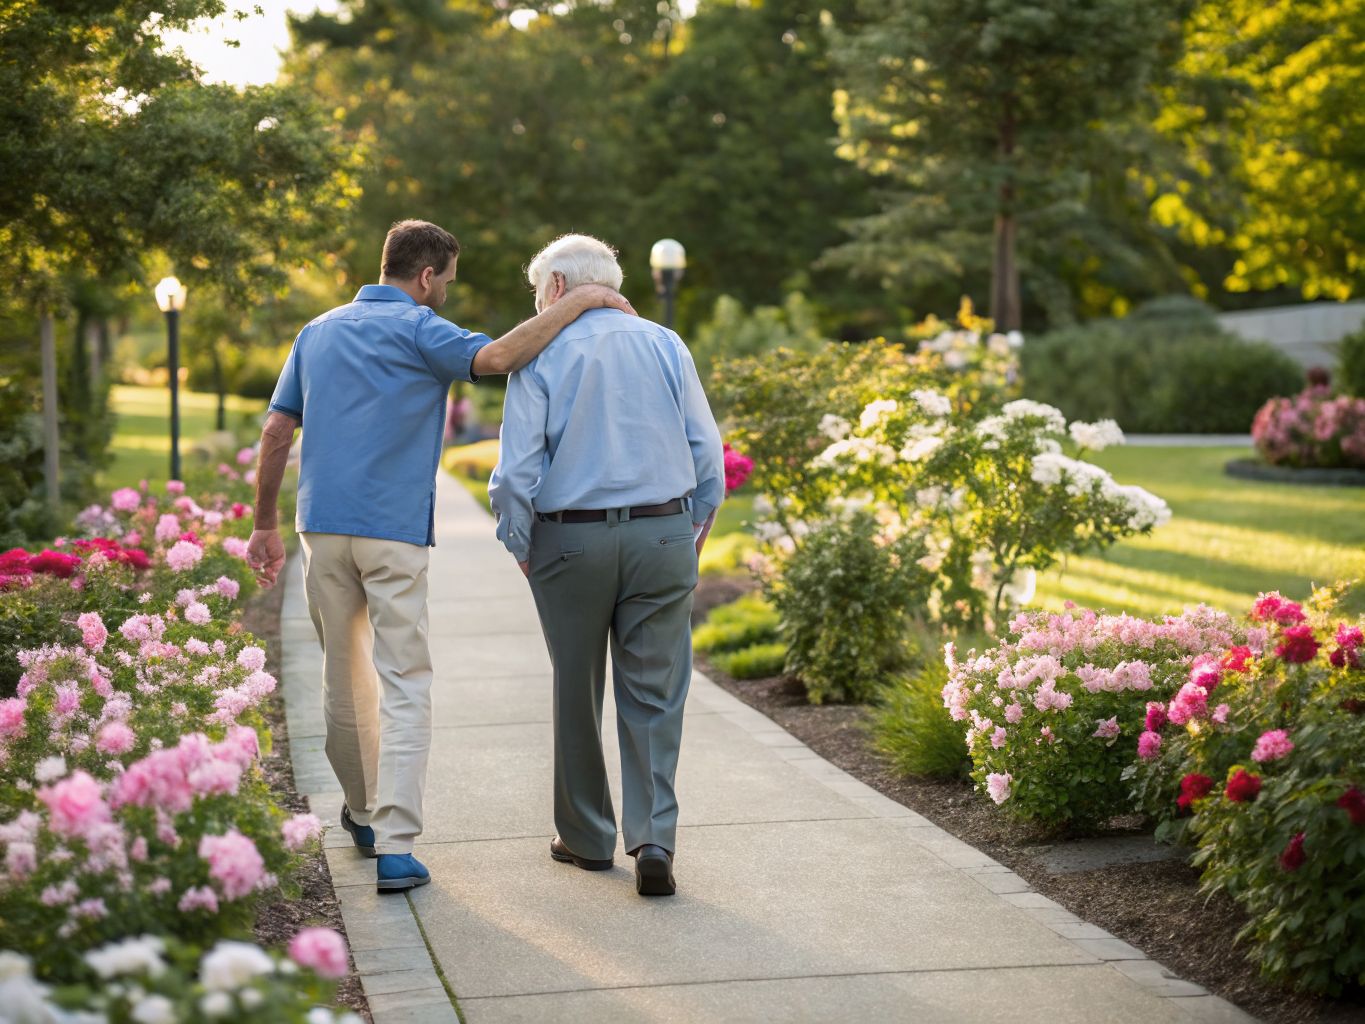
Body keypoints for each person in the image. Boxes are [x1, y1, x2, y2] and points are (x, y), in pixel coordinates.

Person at [246, 220, 636, 893]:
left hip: (321, 530)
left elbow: (277, 428)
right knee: (403, 682)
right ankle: (395, 846)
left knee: (342, 680)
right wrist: (579, 301)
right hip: (392, 533)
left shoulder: (318, 331)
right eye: (447, 281)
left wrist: (264, 526)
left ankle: (364, 816)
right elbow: (502, 358)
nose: (446, 292)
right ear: (426, 276)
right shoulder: (422, 330)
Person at [489, 234, 724, 896]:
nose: (537, 307)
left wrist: (520, 540)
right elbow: (706, 452)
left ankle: (587, 838)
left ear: (557, 288)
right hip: (662, 534)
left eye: (537, 294)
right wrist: (693, 527)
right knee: (654, 692)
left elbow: (514, 476)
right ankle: (652, 839)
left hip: (571, 540)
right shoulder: (665, 344)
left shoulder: (538, 355)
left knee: (575, 686)